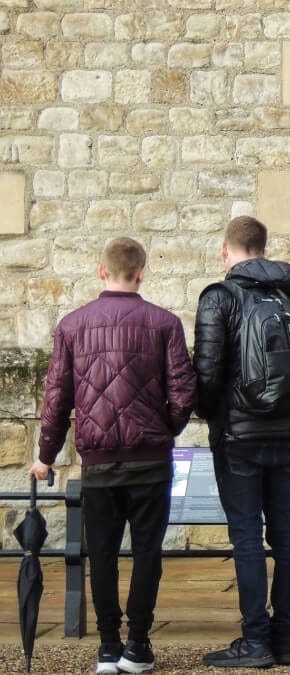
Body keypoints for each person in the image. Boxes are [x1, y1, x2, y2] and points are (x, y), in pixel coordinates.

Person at [30, 236, 197, 673]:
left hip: (99, 465)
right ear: (142, 272)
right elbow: (183, 392)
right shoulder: (165, 323)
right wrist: (164, 431)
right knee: (148, 553)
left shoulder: (72, 325)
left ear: (101, 270)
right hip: (150, 462)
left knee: (101, 554)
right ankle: (138, 646)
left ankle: (107, 646)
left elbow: (56, 399)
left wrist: (45, 456)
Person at [193, 216, 290, 668]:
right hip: (286, 432)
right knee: (286, 533)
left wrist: (212, 413)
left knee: (247, 536)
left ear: (225, 250)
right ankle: (283, 639)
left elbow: (207, 374)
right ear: (264, 248)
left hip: (238, 436)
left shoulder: (220, 297)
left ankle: (254, 641)